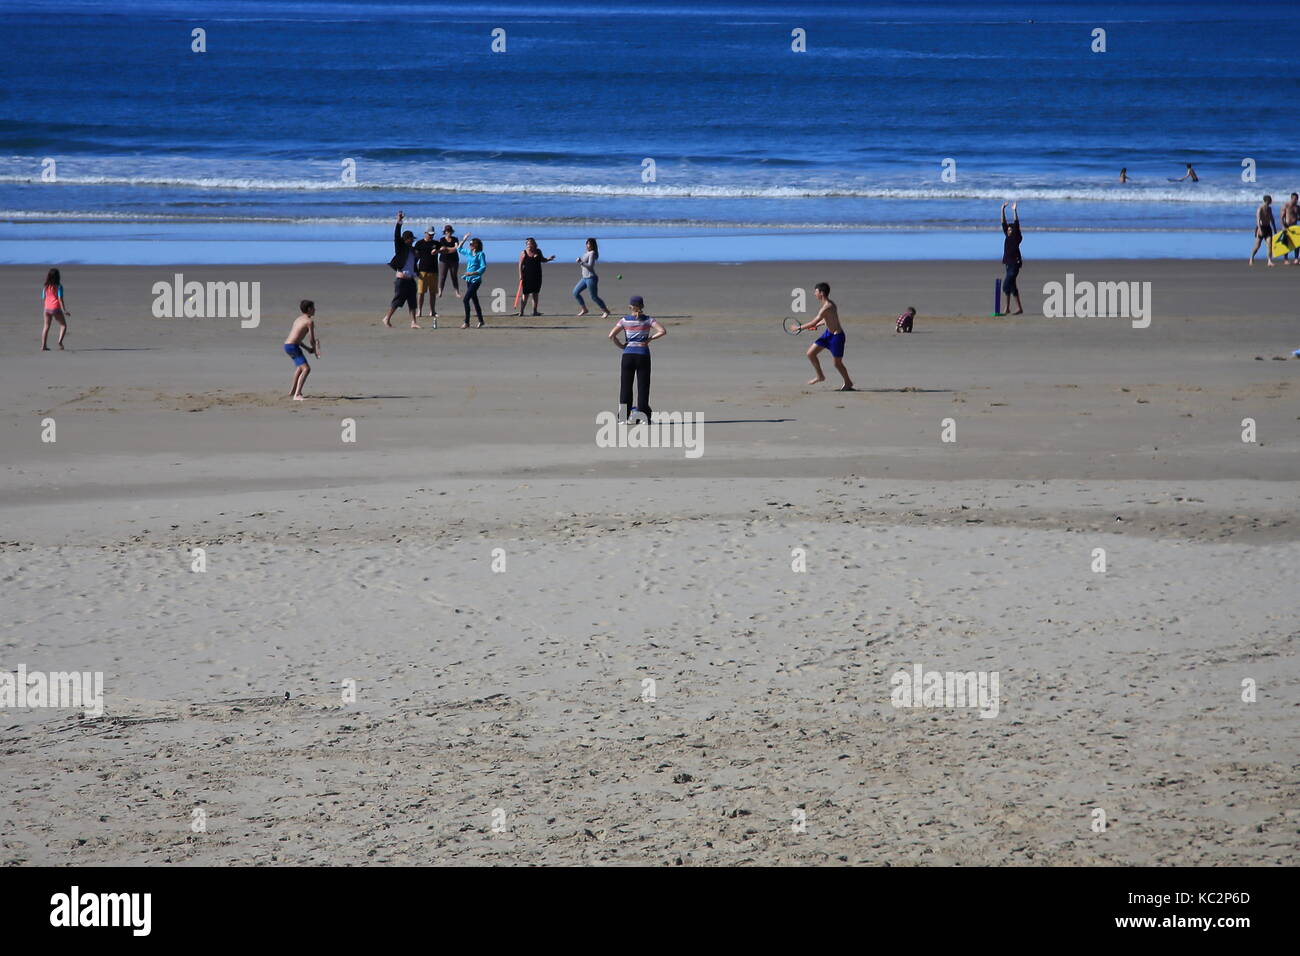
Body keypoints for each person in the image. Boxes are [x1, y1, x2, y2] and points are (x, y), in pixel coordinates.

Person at [608, 295, 666, 422]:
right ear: (642, 306)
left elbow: (611, 335)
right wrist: (650, 339)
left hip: (628, 355)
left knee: (625, 387)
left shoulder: (624, 320)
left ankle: (623, 417)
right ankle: (643, 415)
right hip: (643, 355)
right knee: (643, 387)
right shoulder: (648, 320)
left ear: (630, 307)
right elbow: (662, 331)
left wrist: (622, 346)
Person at [798, 282, 853, 390]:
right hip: (828, 334)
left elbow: (813, 322)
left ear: (821, 293)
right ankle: (820, 376)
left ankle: (848, 383)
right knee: (810, 353)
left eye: (816, 292)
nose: (815, 294)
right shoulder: (827, 305)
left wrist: (799, 328)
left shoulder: (827, 306)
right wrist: (818, 325)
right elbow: (827, 319)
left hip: (837, 337)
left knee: (837, 364)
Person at [382, 211, 422, 328]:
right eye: (411, 239)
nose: (413, 241)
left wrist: (418, 273)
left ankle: (413, 322)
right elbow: (396, 236)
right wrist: (399, 221)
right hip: (401, 280)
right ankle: (387, 318)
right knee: (398, 301)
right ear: (406, 239)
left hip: (410, 279)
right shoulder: (401, 248)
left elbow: (414, 265)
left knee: (412, 302)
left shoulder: (413, 251)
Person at [283, 300, 321, 401]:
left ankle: (292, 391)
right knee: (306, 369)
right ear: (309, 309)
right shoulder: (309, 321)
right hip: (293, 346)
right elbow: (311, 339)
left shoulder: (298, 319)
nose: (315, 309)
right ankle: (297, 394)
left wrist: (308, 349)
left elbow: (297, 339)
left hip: (287, 345)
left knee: (300, 368)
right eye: (313, 308)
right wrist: (314, 348)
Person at [515, 238, 555, 316]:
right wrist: (520, 275)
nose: (530, 245)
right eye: (528, 244)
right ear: (526, 245)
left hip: (537, 275)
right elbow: (520, 265)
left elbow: (542, 260)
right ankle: (521, 311)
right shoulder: (523, 253)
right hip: (526, 276)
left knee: (535, 294)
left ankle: (535, 311)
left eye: (531, 243)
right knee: (525, 294)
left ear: (535, 244)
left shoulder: (538, 251)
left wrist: (548, 259)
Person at [573, 237, 610, 317]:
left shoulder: (592, 253)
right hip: (584, 278)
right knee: (575, 293)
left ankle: (606, 311)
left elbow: (590, 266)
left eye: (589, 243)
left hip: (591, 278)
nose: (587, 245)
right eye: (587, 243)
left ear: (593, 245)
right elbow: (584, 263)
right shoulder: (586, 252)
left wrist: (580, 262)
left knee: (594, 297)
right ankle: (584, 309)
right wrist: (581, 260)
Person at [1000, 202, 1023, 315]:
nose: (1008, 229)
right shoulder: (1007, 235)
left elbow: (1016, 223)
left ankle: (1007, 308)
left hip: (1015, 264)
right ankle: (1016, 308)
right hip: (1008, 264)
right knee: (1012, 287)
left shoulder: (1016, 237)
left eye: (1010, 229)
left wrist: (1014, 211)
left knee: (1006, 285)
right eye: (1008, 229)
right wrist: (1002, 209)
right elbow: (1003, 222)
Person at [458, 234, 487, 328]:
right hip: (468, 280)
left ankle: (466, 322)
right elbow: (459, 249)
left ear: (476, 245)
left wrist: (473, 273)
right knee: (475, 300)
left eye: (471, 244)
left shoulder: (480, 254)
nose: (469, 245)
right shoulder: (469, 252)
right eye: (469, 244)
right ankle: (481, 321)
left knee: (466, 300)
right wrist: (464, 239)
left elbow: (483, 267)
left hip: (476, 280)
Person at [40, 268, 70, 351]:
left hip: (46, 308)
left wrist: (47, 304)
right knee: (63, 325)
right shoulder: (59, 286)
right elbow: (60, 299)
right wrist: (64, 310)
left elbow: (43, 297)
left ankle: (43, 346)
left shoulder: (46, 286)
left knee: (46, 327)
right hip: (55, 308)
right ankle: (60, 342)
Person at [414, 227, 440, 322]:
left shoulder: (436, 244)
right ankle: (419, 311)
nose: (431, 236)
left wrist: (437, 251)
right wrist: (415, 269)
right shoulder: (419, 243)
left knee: (433, 293)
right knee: (421, 292)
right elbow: (416, 257)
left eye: (432, 234)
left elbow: (444, 249)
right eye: (429, 234)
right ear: (425, 233)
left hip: (434, 271)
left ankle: (432, 311)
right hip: (422, 271)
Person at [1250, 194, 1275, 267]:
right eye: (1270, 200)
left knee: (1269, 245)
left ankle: (1269, 261)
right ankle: (1251, 258)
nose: (1271, 201)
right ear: (1266, 201)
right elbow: (1258, 220)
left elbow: (1272, 219)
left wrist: (1275, 228)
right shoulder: (1260, 209)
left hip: (1268, 228)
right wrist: (1259, 230)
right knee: (1257, 246)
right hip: (1261, 228)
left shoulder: (1270, 209)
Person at [436, 224, 460, 299]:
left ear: (452, 231)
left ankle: (457, 292)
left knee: (454, 276)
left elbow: (456, 248)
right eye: (447, 231)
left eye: (449, 231)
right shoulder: (442, 240)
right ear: (445, 232)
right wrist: (449, 249)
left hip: (454, 260)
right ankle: (440, 291)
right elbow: (442, 249)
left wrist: (447, 249)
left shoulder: (455, 239)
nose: (448, 232)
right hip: (444, 260)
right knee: (442, 276)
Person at [1280, 193, 1299, 265]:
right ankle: (1286, 259)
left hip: (1294, 227)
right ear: (1291, 198)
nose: (1296, 200)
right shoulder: (1286, 206)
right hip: (1286, 226)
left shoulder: (1297, 207)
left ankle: (1296, 259)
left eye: (1297, 199)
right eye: (1295, 199)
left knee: (1297, 244)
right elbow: (1281, 217)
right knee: (1286, 243)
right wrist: (1284, 226)